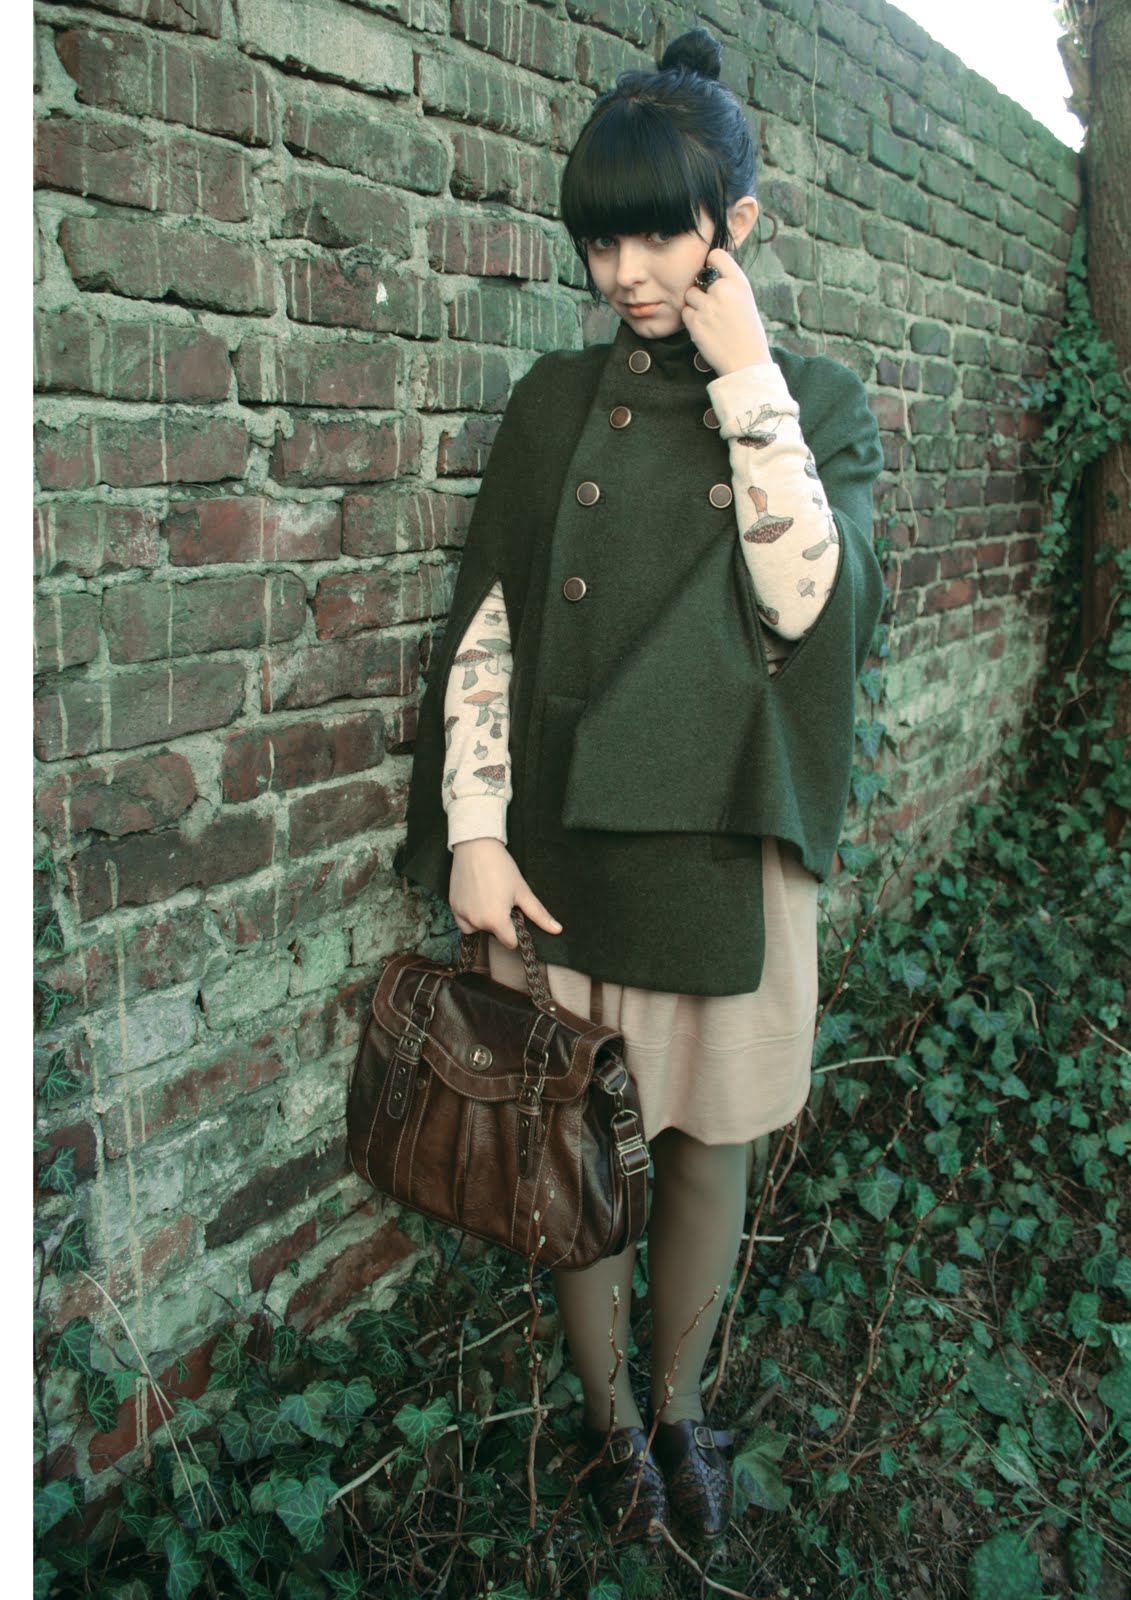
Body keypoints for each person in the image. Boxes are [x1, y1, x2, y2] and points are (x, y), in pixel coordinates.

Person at [398, 26, 885, 1546]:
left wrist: (747, 380)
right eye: (601, 240)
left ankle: (680, 1414)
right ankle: (613, 1430)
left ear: (737, 225)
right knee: (578, 1156)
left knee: (703, 1152)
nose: (625, 272)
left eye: (660, 235)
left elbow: (807, 608)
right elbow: (488, 631)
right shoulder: (553, 402)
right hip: (563, 859)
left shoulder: (816, 400)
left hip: (724, 853)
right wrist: (474, 832)